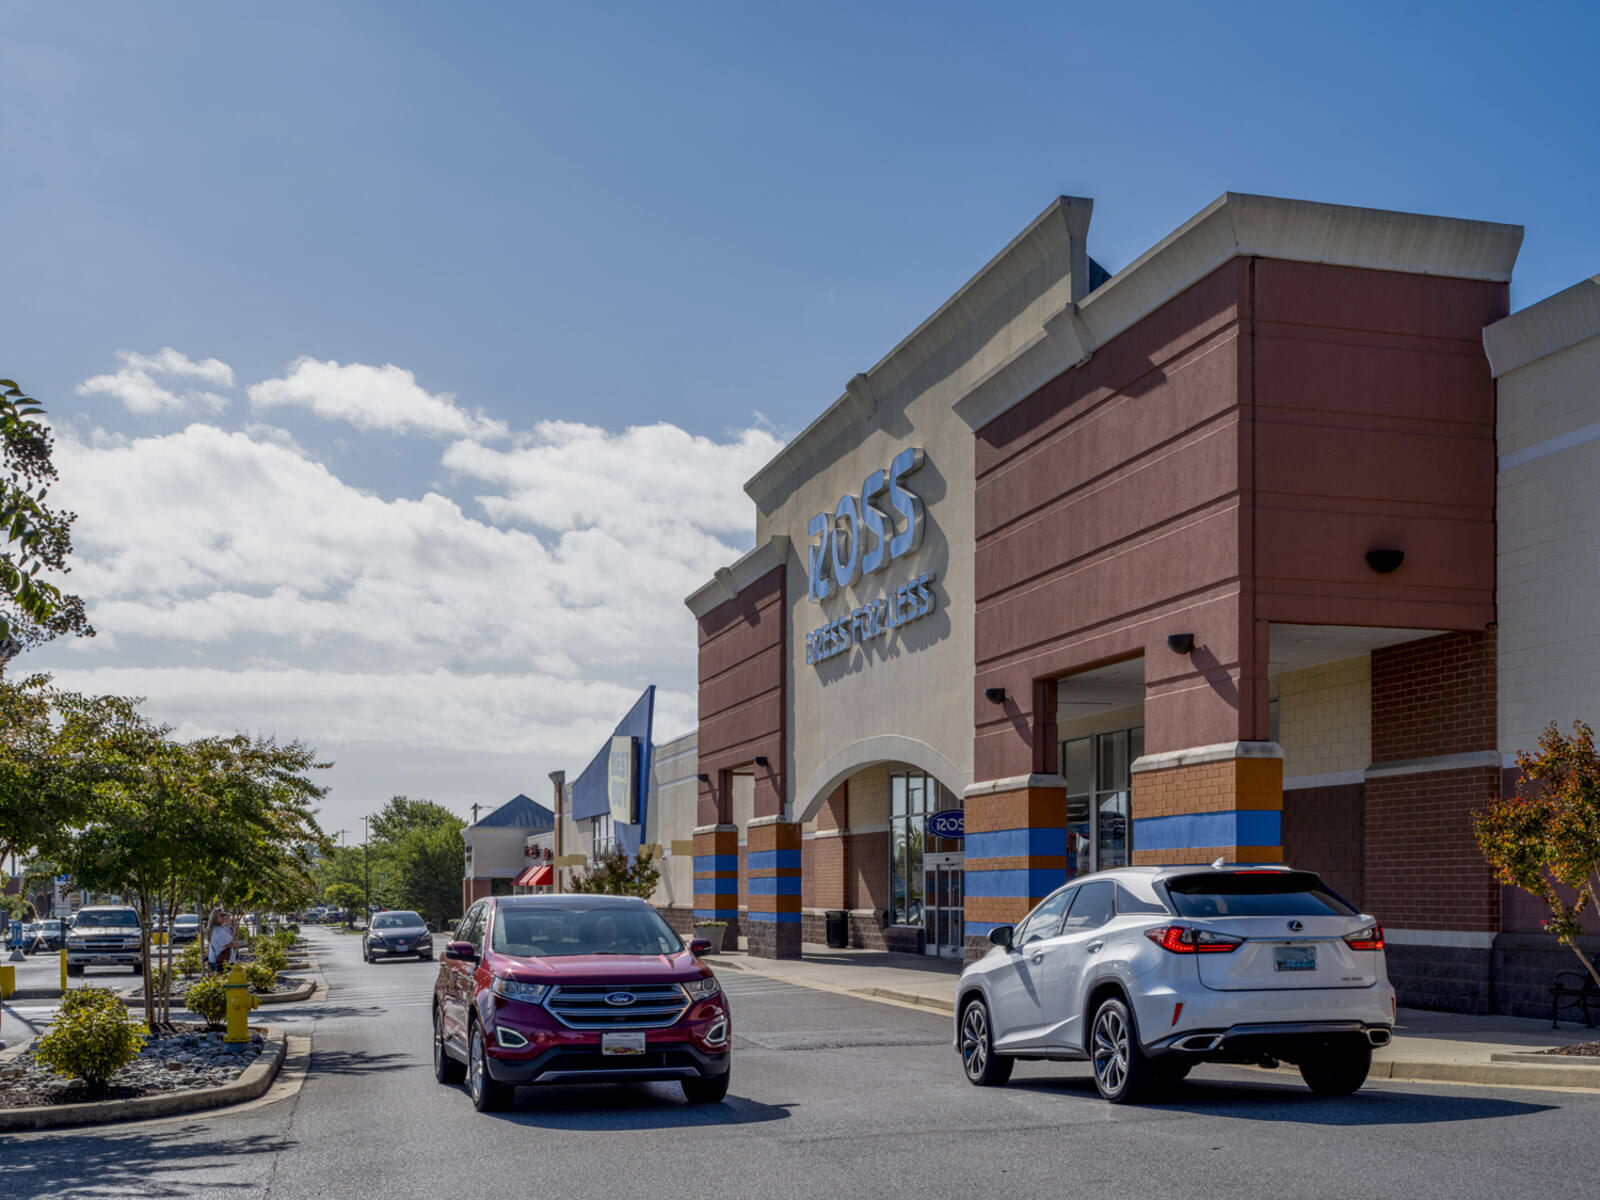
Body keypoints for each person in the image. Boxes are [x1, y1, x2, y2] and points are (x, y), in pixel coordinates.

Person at [208, 909, 236, 974]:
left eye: (224, 914)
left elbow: (232, 931)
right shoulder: (217, 930)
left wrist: (228, 922)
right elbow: (229, 944)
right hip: (220, 961)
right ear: (215, 917)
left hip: (221, 960)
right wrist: (237, 943)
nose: (224, 916)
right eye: (221, 915)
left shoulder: (221, 928)